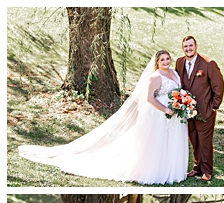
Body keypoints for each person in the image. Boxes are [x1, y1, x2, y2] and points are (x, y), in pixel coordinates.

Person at [18, 50, 189, 184]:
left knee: (171, 140)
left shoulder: (174, 72)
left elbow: (178, 90)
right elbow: (150, 98)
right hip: (160, 114)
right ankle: (156, 171)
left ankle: (172, 170)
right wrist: (165, 110)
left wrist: (181, 102)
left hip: (176, 112)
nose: (166, 62)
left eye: (168, 59)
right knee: (157, 142)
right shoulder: (155, 77)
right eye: (163, 60)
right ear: (157, 62)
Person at [176, 36, 224, 181]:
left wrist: (213, 106)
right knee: (194, 140)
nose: (188, 49)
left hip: (205, 111)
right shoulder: (179, 62)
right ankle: (197, 168)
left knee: (205, 142)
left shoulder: (208, 63)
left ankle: (207, 170)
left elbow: (218, 86)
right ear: (182, 48)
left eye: (191, 46)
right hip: (187, 111)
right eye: (185, 46)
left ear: (196, 46)